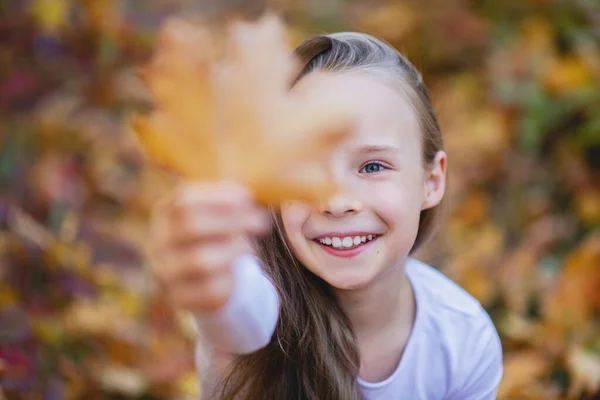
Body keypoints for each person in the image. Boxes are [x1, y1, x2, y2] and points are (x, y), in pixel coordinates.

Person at [149, 32, 503, 400]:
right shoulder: (258, 294)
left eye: (372, 166)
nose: (335, 202)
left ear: (431, 181)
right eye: (306, 168)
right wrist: (215, 288)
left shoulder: (464, 341)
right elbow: (240, 319)